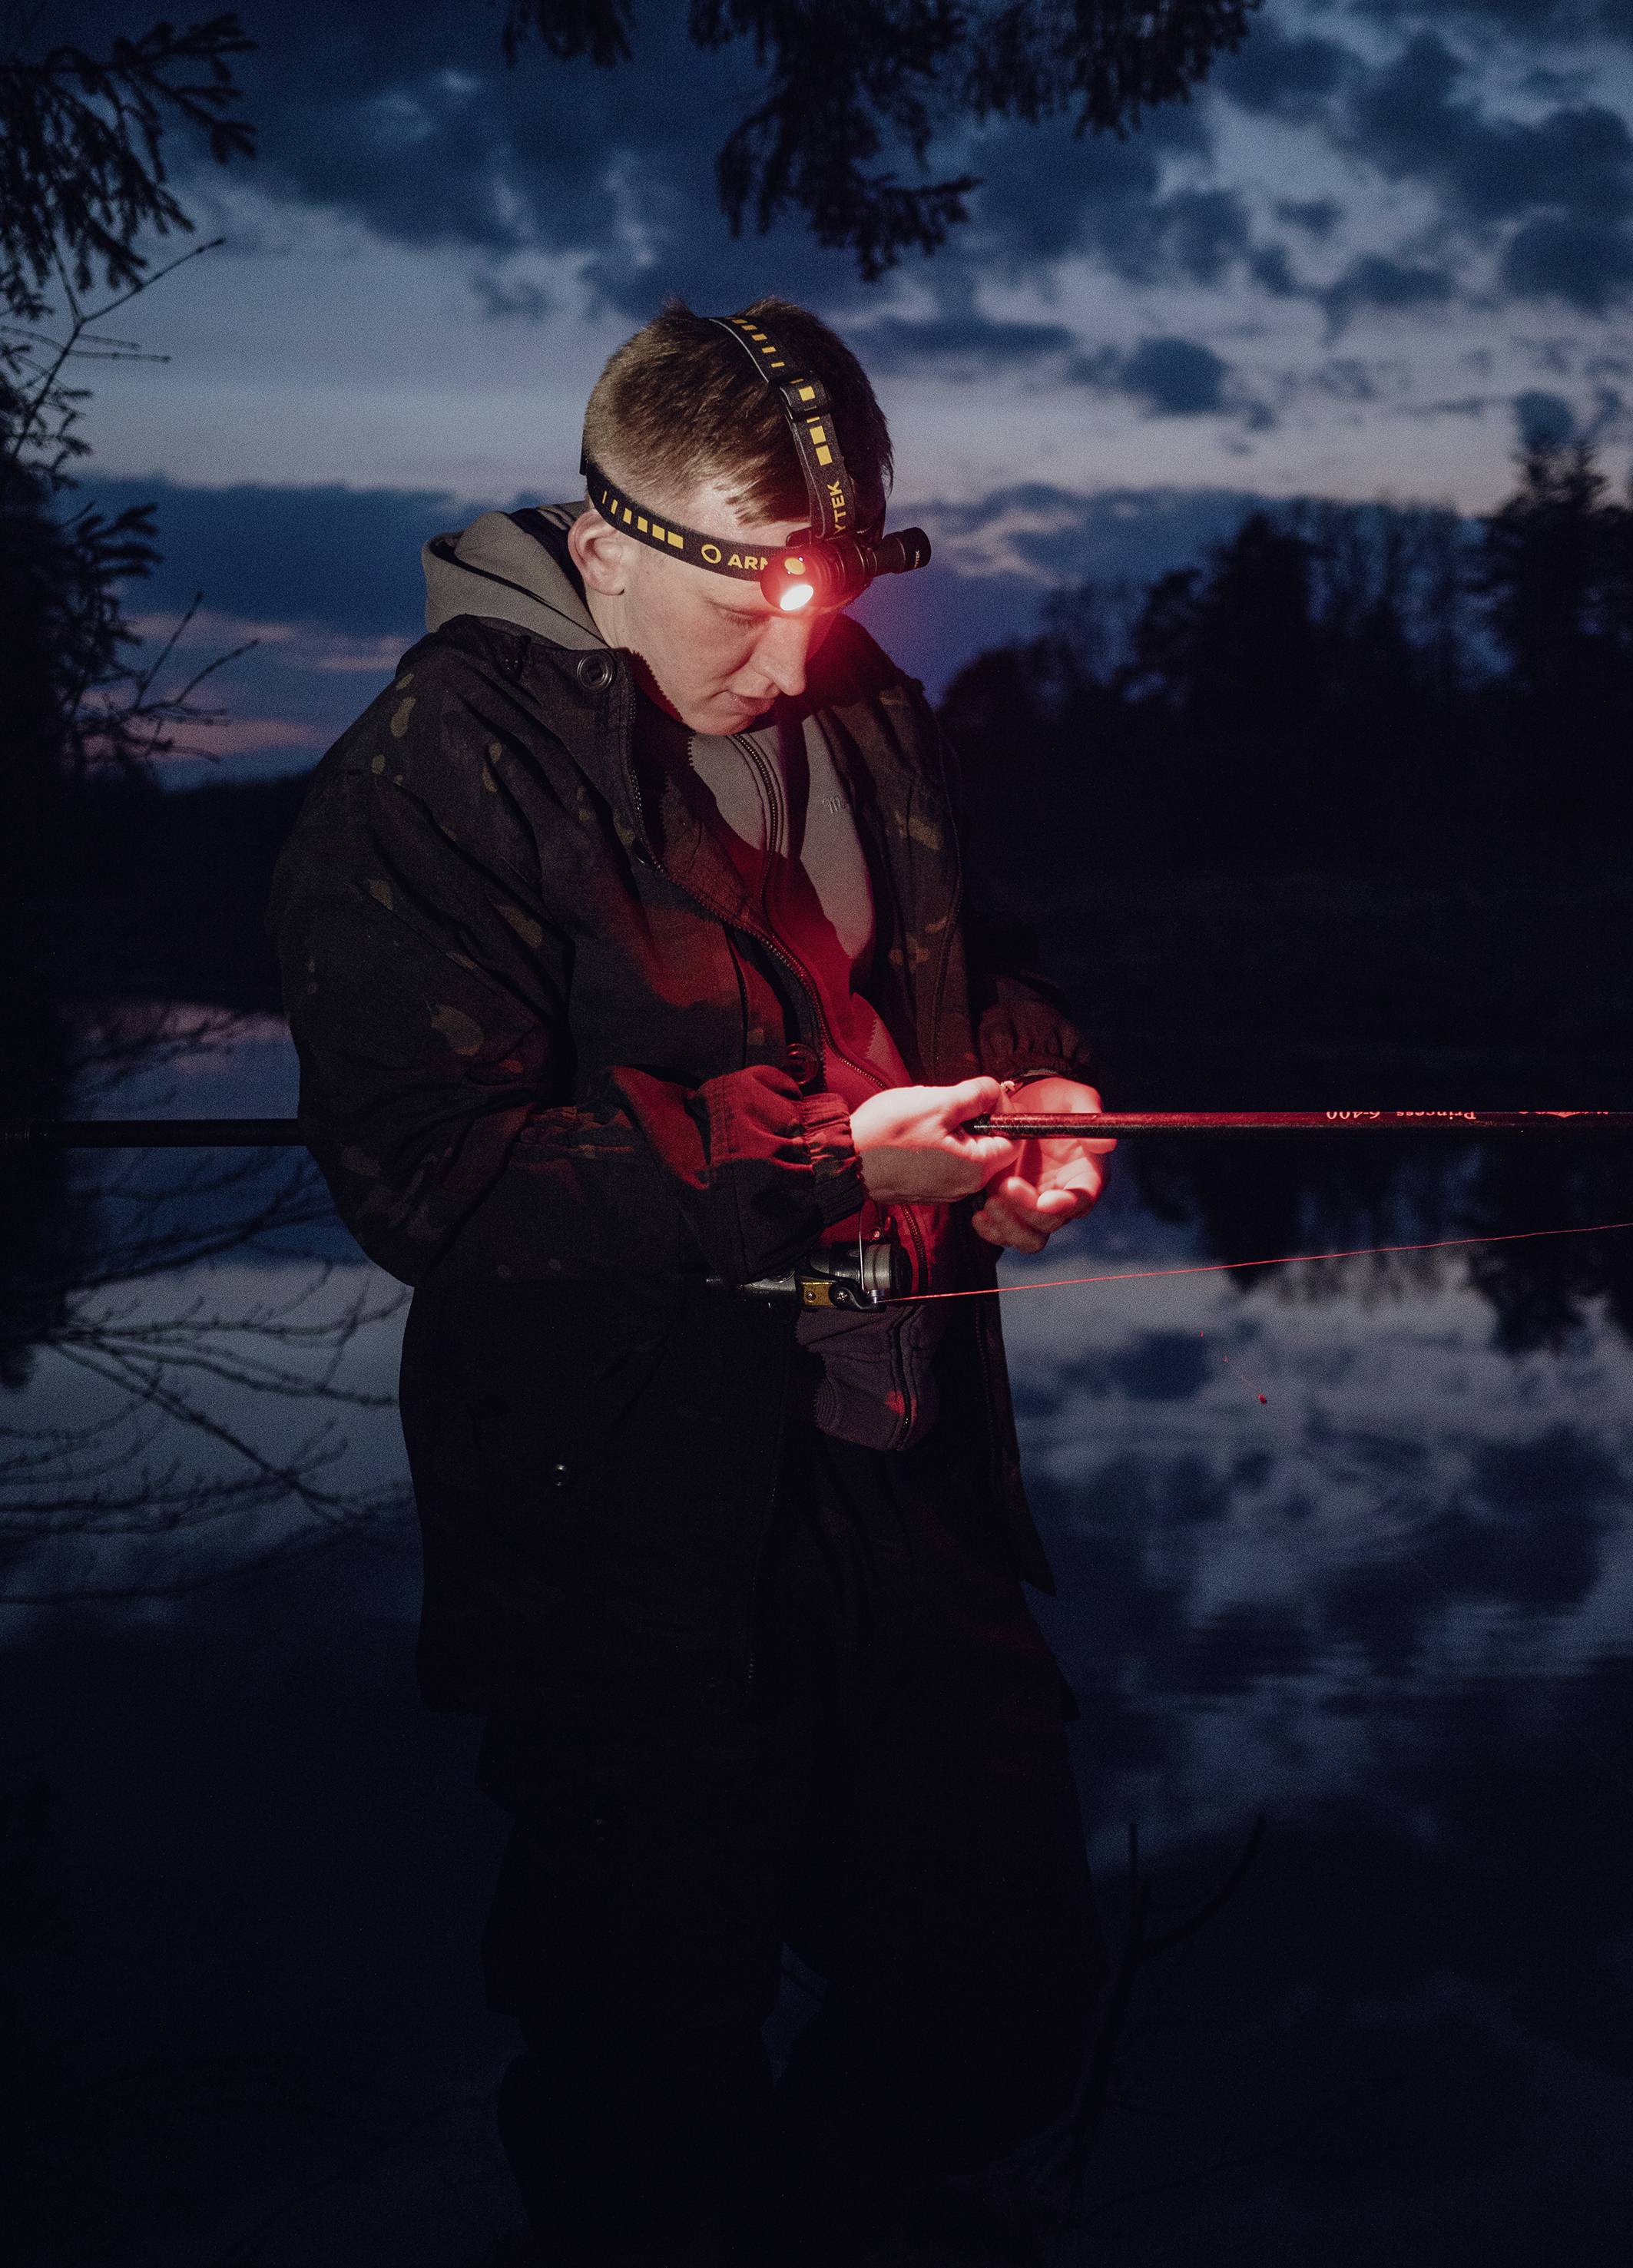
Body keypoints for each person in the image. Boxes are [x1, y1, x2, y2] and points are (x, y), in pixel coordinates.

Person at [267, 295, 1113, 2266]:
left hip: (897, 1487)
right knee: (647, 2067)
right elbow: (435, 1186)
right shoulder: (437, 765)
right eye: (746, 596)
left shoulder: (864, 709)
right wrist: (822, 1168)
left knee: (1000, 1986)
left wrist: (1029, 1095)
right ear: (599, 547)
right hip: (623, 1547)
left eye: (828, 590)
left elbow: (974, 964)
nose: (799, 646)